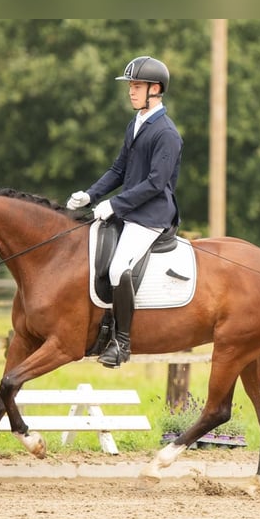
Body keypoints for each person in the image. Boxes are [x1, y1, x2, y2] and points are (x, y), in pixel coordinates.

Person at [66, 55, 183, 368]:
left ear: (155, 89)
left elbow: (156, 183)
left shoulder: (166, 134)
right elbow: (119, 169)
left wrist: (115, 204)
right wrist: (89, 194)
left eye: (136, 86)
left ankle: (122, 343)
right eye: (130, 86)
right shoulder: (137, 123)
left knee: (118, 269)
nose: (131, 92)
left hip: (151, 216)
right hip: (131, 210)